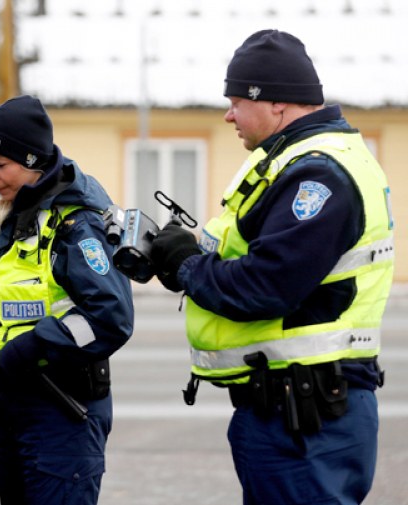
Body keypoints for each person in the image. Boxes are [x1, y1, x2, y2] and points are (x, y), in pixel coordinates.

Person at [148, 30, 394, 504]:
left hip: (306, 418)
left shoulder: (317, 174)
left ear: (277, 103)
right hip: (295, 407)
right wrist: (186, 253)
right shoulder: (294, 161)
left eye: (237, 100)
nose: (228, 114)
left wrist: (187, 267)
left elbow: (265, 285)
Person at [0, 95, 134, 505]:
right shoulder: (7, 214)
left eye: (0, 165)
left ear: (32, 163)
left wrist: (32, 349)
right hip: (12, 405)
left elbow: (109, 316)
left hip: (62, 413)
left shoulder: (77, 222)